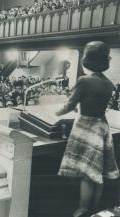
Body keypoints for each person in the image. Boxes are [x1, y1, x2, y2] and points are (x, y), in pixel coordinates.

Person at [56, 41, 120, 217]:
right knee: (97, 171)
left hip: (86, 127)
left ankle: (83, 209)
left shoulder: (84, 80)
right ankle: (94, 208)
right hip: (101, 127)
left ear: (87, 59)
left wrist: (56, 111)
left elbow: (69, 106)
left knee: (86, 173)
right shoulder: (109, 83)